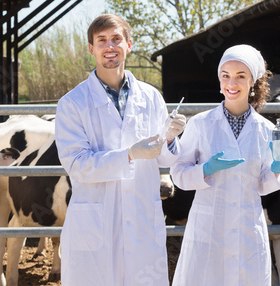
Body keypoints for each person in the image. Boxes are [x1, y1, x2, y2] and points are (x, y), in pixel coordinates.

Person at [54, 14, 186, 286]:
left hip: (141, 217)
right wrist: (129, 155)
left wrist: (171, 138)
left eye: (116, 39)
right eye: (102, 40)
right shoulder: (72, 103)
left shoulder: (151, 97)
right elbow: (77, 165)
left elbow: (164, 155)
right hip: (95, 221)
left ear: (129, 44)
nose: (109, 46)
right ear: (92, 48)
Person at [170, 44, 280, 286]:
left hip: (247, 226)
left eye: (240, 76)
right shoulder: (201, 124)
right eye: (225, 76)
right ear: (219, 81)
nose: (232, 83)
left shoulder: (267, 130)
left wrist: (278, 168)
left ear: (253, 82)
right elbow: (178, 173)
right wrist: (204, 170)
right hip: (208, 226)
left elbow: (263, 185)